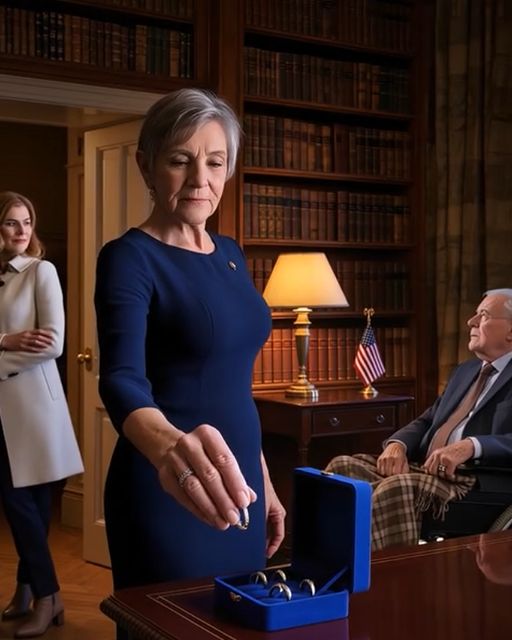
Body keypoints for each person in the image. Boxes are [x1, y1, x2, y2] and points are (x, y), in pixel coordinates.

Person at [94, 89, 286, 611]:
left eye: (215, 162)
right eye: (180, 160)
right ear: (146, 165)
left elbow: (233, 383)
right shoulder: (128, 257)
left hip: (239, 486)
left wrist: (263, 479)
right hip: (167, 488)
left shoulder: (231, 253)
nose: (201, 178)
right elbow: (121, 379)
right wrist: (170, 450)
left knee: (240, 622)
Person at [326, 288, 512, 549]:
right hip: (427, 468)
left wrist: (472, 446)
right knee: (342, 469)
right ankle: (329, 566)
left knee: (397, 488)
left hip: (482, 483)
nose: (471, 322)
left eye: (483, 315)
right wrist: (398, 445)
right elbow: (428, 420)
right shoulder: (466, 370)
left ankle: (389, 574)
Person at [0, 191, 84, 638]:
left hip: (33, 407)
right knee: (25, 506)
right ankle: (26, 590)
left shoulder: (40, 271)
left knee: (23, 504)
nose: (21, 231)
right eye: (11, 222)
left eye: (27, 222)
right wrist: (5, 341)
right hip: (3, 411)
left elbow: (52, 344)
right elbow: (15, 341)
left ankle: (48, 596)